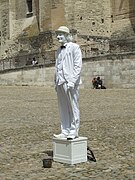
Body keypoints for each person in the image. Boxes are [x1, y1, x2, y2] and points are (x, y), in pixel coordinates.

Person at [53, 26, 82, 139]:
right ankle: (65, 130)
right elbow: (57, 66)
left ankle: (74, 130)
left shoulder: (75, 47)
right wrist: (56, 81)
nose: (58, 37)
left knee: (73, 106)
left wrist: (72, 81)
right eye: (57, 35)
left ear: (66, 35)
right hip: (60, 82)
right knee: (63, 107)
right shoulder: (58, 50)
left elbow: (77, 65)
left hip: (70, 82)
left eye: (60, 34)